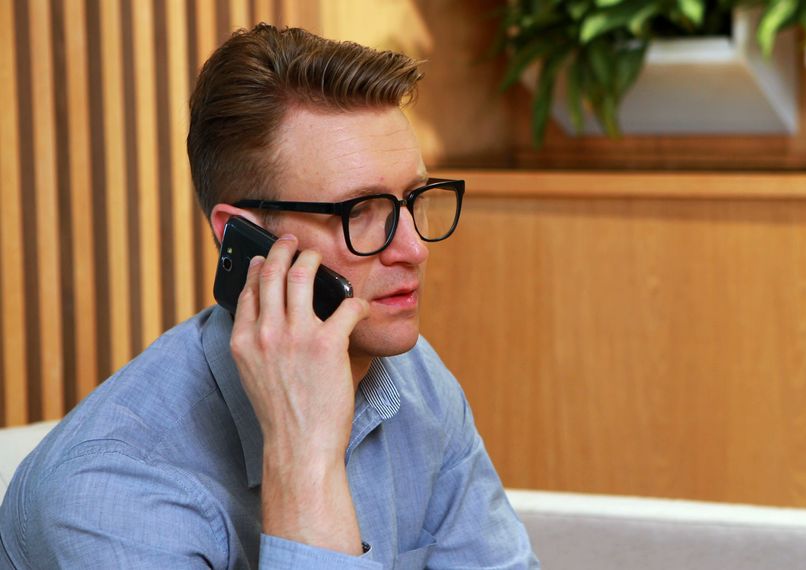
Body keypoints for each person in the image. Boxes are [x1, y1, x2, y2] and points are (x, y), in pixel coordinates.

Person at [0, 24, 537, 569]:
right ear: (245, 238)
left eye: (412, 199)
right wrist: (303, 460)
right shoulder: (109, 499)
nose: (414, 249)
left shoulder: (414, 377)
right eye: (359, 212)